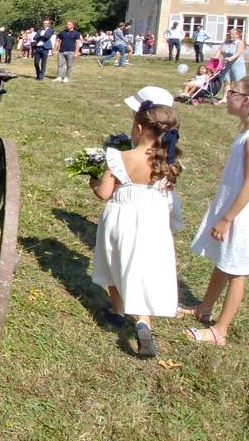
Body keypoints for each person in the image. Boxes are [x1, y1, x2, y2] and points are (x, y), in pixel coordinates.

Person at [89, 91, 182, 357]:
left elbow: (104, 193)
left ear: (139, 129)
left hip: (121, 218)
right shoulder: (169, 161)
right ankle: (143, 321)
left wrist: (94, 183)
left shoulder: (120, 158)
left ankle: (118, 311)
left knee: (114, 261)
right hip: (154, 223)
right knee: (145, 269)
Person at [184, 76, 249, 346]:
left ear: (246, 100)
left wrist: (227, 218)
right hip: (234, 212)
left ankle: (219, 330)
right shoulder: (244, 133)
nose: (225, 96)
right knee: (223, 262)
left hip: (241, 216)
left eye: (231, 92)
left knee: (236, 270)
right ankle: (204, 308)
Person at [214, 29, 247, 104]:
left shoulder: (240, 43)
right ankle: (225, 98)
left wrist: (230, 58)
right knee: (227, 82)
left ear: (238, 35)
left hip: (237, 65)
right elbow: (220, 51)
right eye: (230, 34)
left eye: (233, 34)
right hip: (226, 65)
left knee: (239, 82)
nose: (231, 35)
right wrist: (214, 58)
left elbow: (238, 53)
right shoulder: (226, 42)